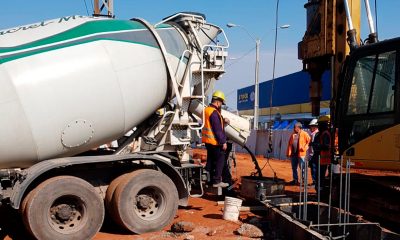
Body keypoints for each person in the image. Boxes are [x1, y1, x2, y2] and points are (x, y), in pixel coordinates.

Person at [202, 90, 229, 188]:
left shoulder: (207, 110)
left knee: (210, 160)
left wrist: (223, 119)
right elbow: (217, 129)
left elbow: (212, 122)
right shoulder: (214, 112)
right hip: (215, 141)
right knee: (220, 160)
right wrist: (223, 142)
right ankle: (217, 181)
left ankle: (208, 180)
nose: (221, 105)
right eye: (221, 103)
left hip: (207, 141)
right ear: (218, 102)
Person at [312, 115, 332, 192]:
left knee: (320, 177)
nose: (318, 126)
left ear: (324, 124)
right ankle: (319, 191)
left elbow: (326, 146)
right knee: (318, 176)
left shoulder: (325, 133)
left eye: (319, 124)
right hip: (319, 158)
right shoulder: (321, 133)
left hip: (322, 159)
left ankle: (320, 192)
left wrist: (316, 145)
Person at [308, 119, 319, 186]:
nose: (310, 128)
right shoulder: (312, 134)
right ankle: (314, 181)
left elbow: (315, 145)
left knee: (314, 168)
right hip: (312, 154)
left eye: (312, 126)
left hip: (315, 154)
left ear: (315, 127)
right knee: (313, 168)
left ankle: (315, 182)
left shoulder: (316, 134)